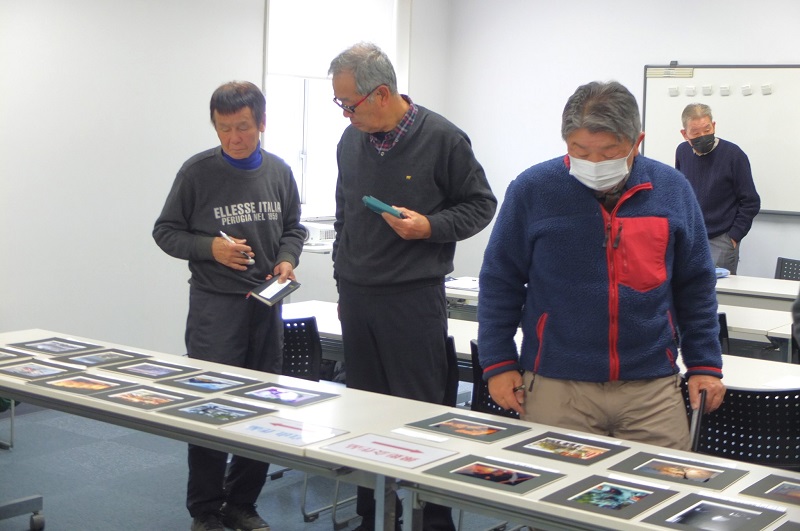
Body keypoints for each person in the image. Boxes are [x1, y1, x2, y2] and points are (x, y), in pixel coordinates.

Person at [477, 81, 726, 453]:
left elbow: (695, 285)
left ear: (636, 142)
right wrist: (498, 362)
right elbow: (500, 280)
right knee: (557, 486)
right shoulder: (533, 189)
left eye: (609, 152)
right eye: (580, 151)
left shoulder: (672, 190)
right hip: (557, 383)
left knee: (664, 486)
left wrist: (704, 364)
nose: (594, 163)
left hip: (651, 387)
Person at [328, 42, 496, 531]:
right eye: (340, 104)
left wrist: (430, 227)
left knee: (421, 416)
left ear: (381, 94)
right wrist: (342, 273)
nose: (345, 115)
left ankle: (432, 521)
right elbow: (344, 214)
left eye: (349, 104)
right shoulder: (350, 141)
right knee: (362, 413)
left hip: (412, 298)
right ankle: (372, 517)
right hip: (357, 295)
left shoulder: (443, 138)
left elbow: (480, 205)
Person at [153, 81, 305, 531]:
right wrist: (210, 248)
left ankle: (242, 503)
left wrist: (287, 258)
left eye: (243, 127)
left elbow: (294, 228)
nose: (234, 138)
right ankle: (205, 509)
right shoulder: (197, 173)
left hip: (266, 305)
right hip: (215, 308)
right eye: (223, 128)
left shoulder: (279, 172)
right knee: (210, 404)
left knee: (262, 406)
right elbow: (165, 232)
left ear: (262, 123)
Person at [675, 103, 761, 274]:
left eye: (707, 130)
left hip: (721, 240)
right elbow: (681, 192)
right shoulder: (682, 152)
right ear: (684, 134)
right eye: (696, 133)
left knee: (720, 289)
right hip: (691, 237)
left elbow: (751, 201)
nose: (702, 136)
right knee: (689, 286)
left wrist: (733, 237)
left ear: (713, 126)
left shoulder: (734, 155)